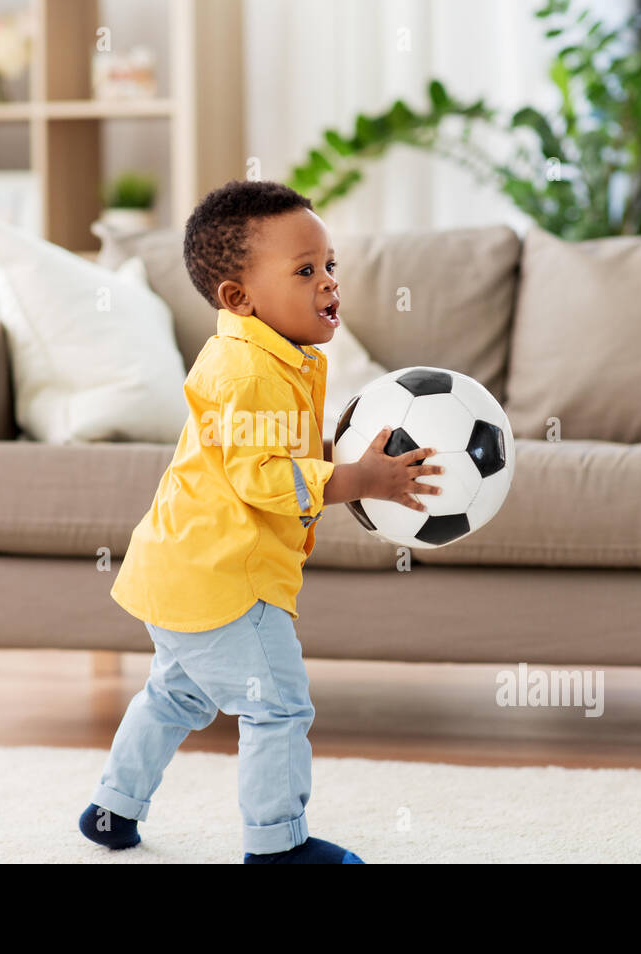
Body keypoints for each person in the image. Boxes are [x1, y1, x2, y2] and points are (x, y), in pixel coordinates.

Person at [79, 179, 443, 863]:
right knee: (277, 707)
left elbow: (271, 454)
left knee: (173, 697)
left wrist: (344, 459)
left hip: (180, 575)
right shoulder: (249, 371)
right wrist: (363, 480)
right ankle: (277, 846)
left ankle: (111, 810)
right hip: (227, 585)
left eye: (330, 264)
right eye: (305, 271)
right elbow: (267, 478)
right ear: (239, 300)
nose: (329, 283)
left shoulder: (271, 357)